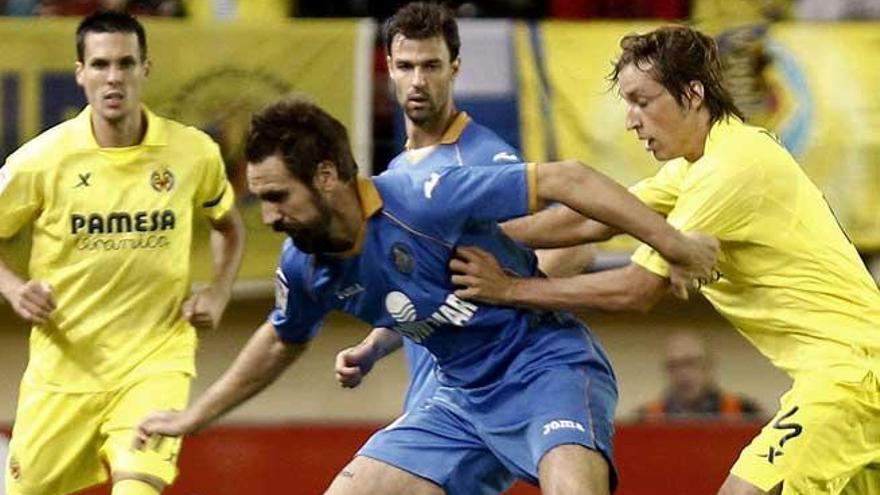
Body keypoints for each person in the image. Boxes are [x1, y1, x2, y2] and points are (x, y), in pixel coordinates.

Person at [135, 97, 717, 495]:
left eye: (279, 197)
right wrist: (195, 416)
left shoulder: (425, 197)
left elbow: (568, 180)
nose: (271, 217)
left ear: (327, 176)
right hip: (457, 400)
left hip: (543, 370)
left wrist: (674, 244)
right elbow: (279, 342)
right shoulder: (308, 265)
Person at [449, 25, 880, 495]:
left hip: (850, 377)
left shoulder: (730, 169)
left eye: (642, 100)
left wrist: (508, 289)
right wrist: (477, 237)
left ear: (692, 94)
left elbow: (635, 289)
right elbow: (588, 222)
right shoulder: (697, 167)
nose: (632, 120)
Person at [333, 5, 595, 492]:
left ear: (455, 67)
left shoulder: (481, 159)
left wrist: (512, 285)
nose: (417, 80)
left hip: (494, 382)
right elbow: (423, 287)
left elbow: (575, 230)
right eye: (406, 66)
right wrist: (372, 346)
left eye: (431, 66)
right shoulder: (400, 170)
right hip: (437, 398)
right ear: (387, 67)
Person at [0, 11, 244, 495]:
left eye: (126, 64)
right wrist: (12, 288)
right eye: (101, 64)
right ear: (80, 72)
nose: (114, 77)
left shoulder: (193, 153)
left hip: (156, 360)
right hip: (65, 371)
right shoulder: (39, 161)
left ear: (145, 70)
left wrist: (218, 291)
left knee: (137, 487)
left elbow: (229, 227)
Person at [636, 331, 763, 422]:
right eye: (675, 365)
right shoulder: (647, 417)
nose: (683, 373)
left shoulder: (743, 412)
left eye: (691, 363)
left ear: (709, 366)